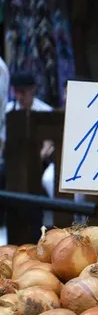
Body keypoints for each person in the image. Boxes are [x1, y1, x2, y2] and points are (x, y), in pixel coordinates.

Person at [4, 72, 57, 228]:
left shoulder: (45, 111)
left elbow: (49, 143)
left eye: (23, 92)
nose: (20, 96)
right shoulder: (8, 110)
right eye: (16, 92)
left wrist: (36, 158)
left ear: (32, 90)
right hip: (12, 162)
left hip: (39, 161)